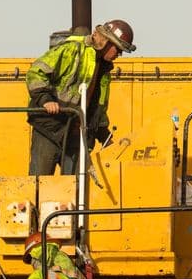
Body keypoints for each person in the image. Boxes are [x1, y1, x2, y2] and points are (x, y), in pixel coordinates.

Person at [22, 17, 135, 174]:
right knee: (39, 184)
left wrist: (104, 135)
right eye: (118, 49)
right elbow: (36, 72)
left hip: (76, 133)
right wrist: (45, 100)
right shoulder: (72, 50)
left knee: (76, 186)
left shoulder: (104, 71)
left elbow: (98, 106)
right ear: (107, 42)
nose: (120, 54)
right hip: (50, 128)